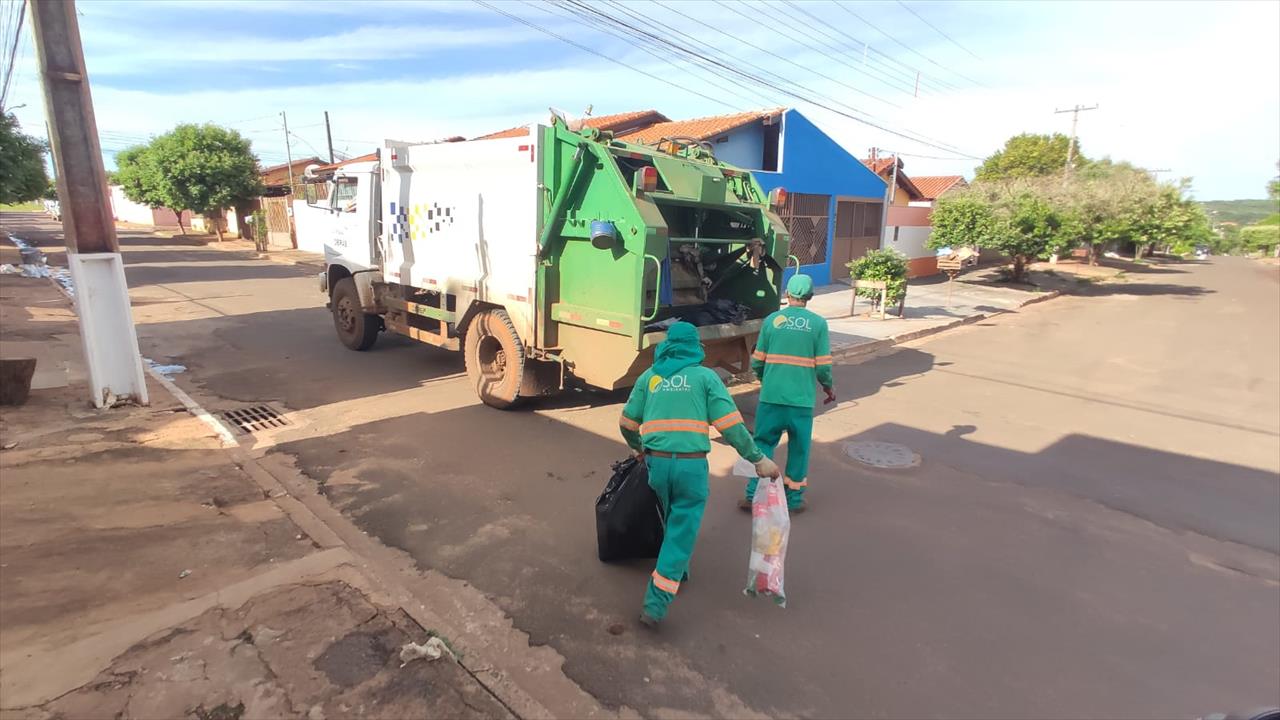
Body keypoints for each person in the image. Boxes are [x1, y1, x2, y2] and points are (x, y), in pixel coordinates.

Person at [619, 321, 780, 628]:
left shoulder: (649, 378)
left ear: (667, 346)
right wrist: (758, 460)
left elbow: (626, 424)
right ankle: (656, 603)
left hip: (657, 465)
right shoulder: (705, 377)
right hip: (691, 467)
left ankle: (679, 567)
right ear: (695, 347)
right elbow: (731, 426)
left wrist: (639, 449)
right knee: (682, 527)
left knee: (671, 515)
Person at [742, 274, 835, 513]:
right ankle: (794, 499)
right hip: (801, 402)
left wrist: (765, 380)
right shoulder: (818, 324)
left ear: (787, 294)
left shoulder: (773, 321)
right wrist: (827, 387)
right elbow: (823, 366)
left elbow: (758, 361)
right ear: (810, 297)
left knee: (762, 445)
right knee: (799, 449)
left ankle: (753, 495)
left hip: (771, 398)